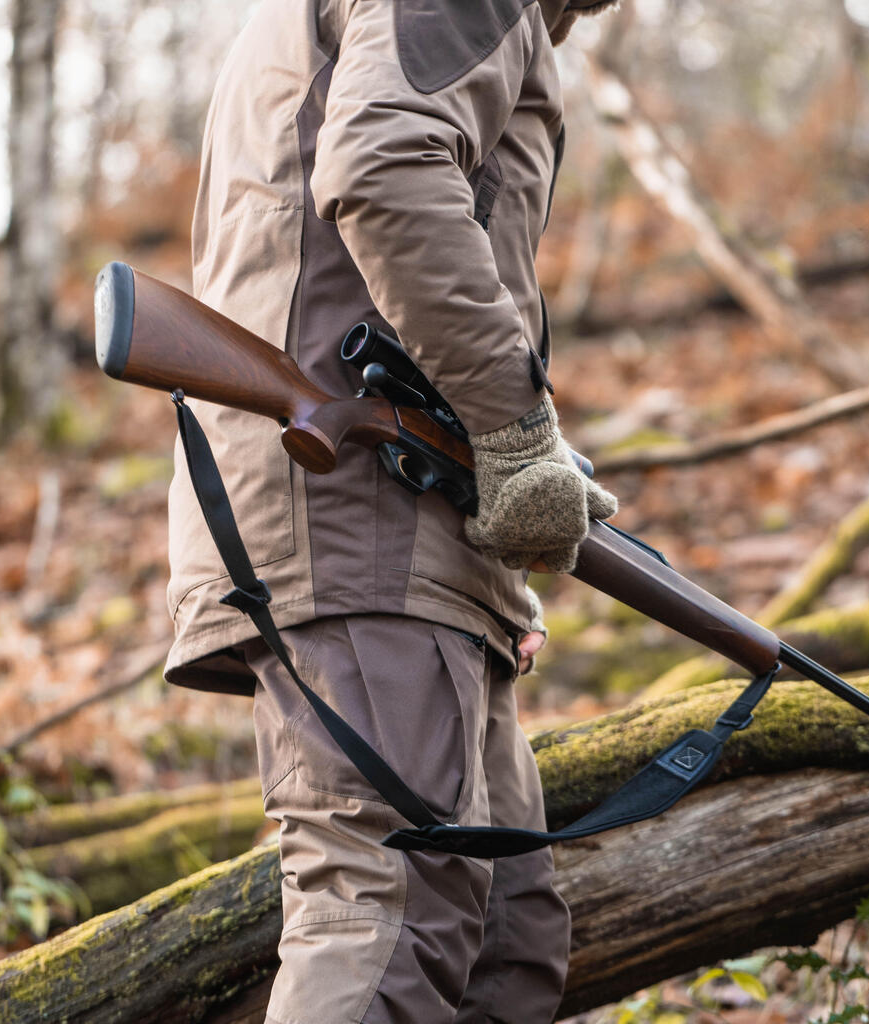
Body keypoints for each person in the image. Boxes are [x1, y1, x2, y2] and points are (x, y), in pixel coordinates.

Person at [164, 1, 620, 1021]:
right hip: (356, 512)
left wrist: (491, 575)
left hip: (401, 519)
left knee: (508, 931)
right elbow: (380, 171)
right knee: (392, 911)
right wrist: (514, 433)